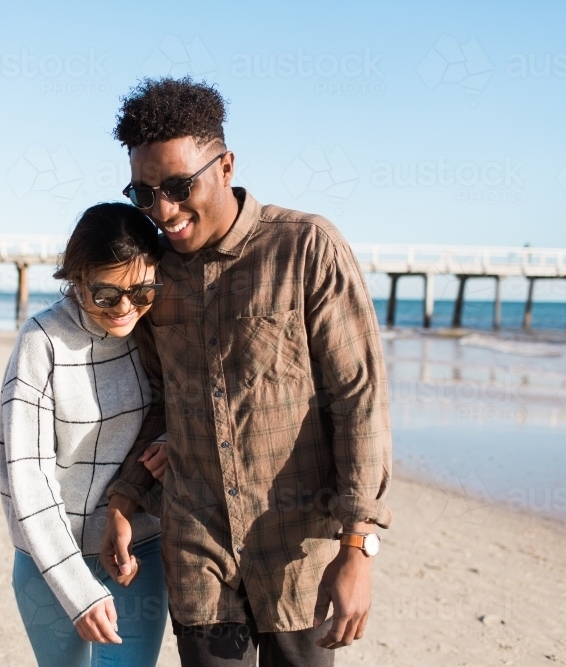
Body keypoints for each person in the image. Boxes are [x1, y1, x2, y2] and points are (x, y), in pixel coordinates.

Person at [101, 78, 393, 667]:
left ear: (226, 164)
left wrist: (357, 546)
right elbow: (161, 402)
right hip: (198, 553)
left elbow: (357, 398)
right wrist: (126, 498)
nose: (164, 211)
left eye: (180, 187)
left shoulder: (305, 248)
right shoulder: (158, 275)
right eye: (145, 193)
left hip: (297, 555)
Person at [0, 203, 169, 667]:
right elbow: (27, 477)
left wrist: (172, 440)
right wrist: (76, 589)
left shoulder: (153, 329)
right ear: (76, 279)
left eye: (141, 291)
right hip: (50, 559)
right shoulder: (41, 343)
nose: (126, 308)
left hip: (140, 550)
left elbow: (184, 404)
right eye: (106, 294)